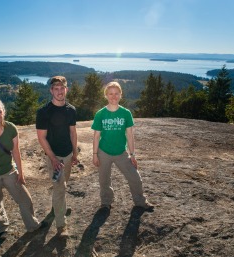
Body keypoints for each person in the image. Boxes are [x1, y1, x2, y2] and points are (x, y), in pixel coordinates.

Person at [0, 98, 45, 237]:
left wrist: (21, 173)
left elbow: (16, 151)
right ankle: (2, 228)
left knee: (25, 199)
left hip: (9, 171)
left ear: (4, 112)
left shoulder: (11, 128)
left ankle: (33, 225)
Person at [91, 81, 154, 211]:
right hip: (104, 152)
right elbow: (96, 136)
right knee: (104, 181)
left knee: (135, 178)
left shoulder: (126, 113)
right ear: (106, 95)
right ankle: (106, 203)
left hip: (121, 152)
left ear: (121, 95)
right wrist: (95, 155)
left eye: (116, 94)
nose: (113, 97)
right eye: (110, 94)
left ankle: (140, 201)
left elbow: (130, 135)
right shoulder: (100, 114)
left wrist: (132, 155)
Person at [36, 76, 78, 238]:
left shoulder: (71, 110)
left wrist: (74, 153)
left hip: (67, 155)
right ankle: (61, 226)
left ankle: (57, 207)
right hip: (55, 158)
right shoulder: (44, 112)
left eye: (62, 88)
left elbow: (73, 133)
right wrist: (53, 159)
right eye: (56, 89)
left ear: (66, 89)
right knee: (60, 187)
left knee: (63, 184)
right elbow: (42, 138)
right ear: (51, 91)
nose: (60, 91)